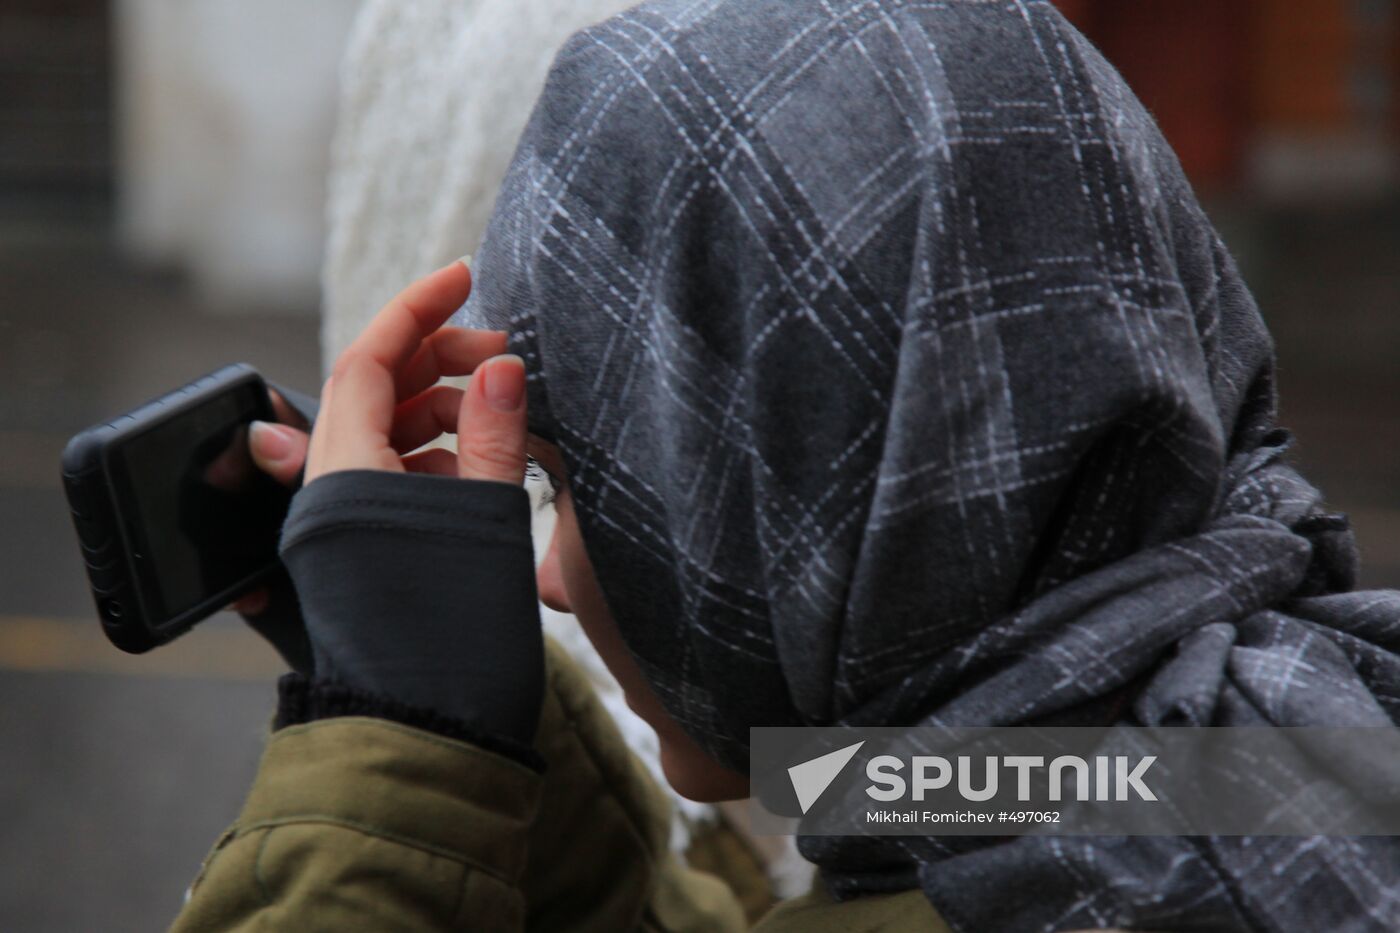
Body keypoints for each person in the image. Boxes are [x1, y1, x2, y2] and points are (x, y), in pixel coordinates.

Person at [176, 1, 1400, 930]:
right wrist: (468, 735)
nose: (546, 579)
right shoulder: (1174, 771)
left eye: (570, 485)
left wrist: (388, 747)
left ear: (780, 510)